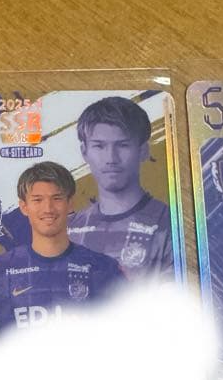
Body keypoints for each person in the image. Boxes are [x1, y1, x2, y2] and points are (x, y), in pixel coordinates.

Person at [0, 161, 124, 355]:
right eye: (37, 200)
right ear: (24, 207)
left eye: (57, 198)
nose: (48, 208)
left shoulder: (103, 268)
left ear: (70, 203)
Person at [67, 95, 173, 278]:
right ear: (84, 152)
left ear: (143, 151)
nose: (111, 159)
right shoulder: (70, 229)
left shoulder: (170, 224)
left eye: (123, 145)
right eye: (99, 146)